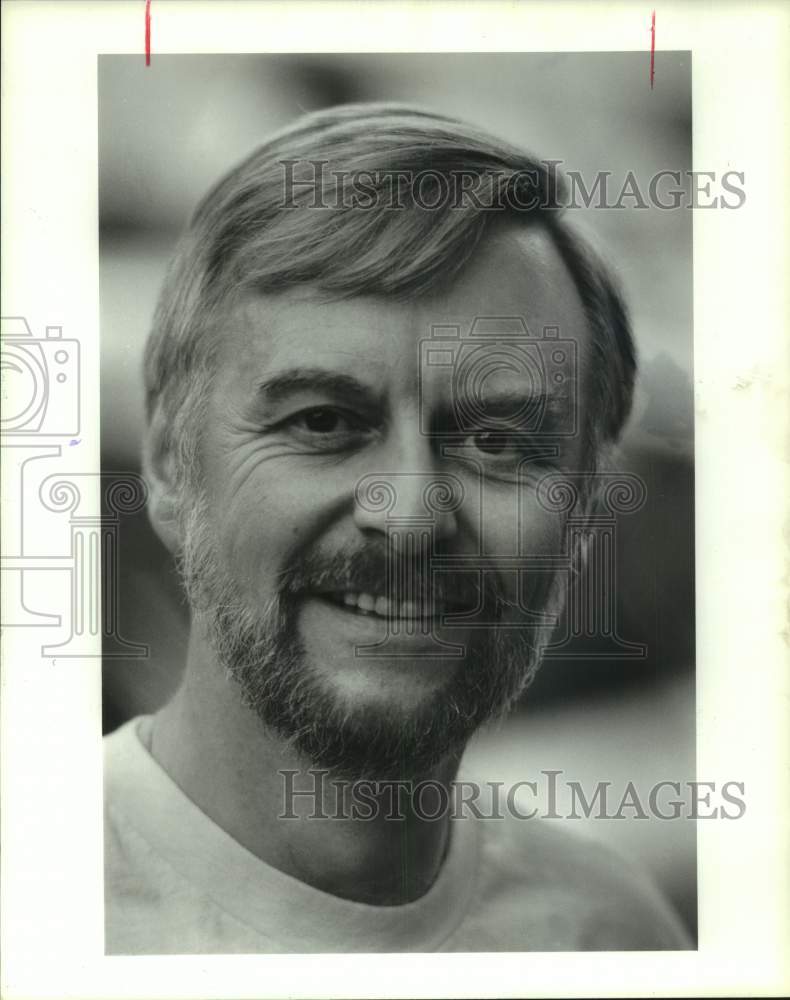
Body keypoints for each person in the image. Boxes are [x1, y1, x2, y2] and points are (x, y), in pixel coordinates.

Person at [104, 103, 691, 953]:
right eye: (322, 422)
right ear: (167, 462)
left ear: (589, 505)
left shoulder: (614, 936)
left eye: (496, 442)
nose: (411, 515)